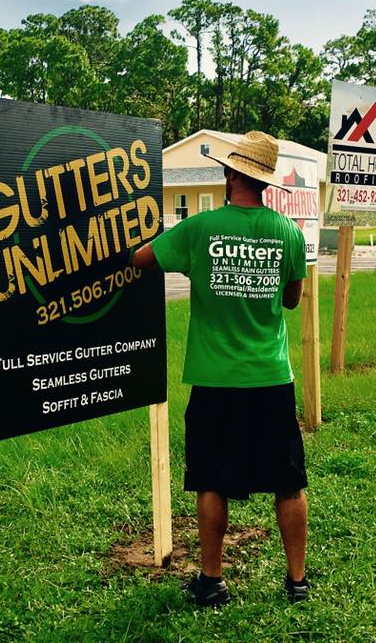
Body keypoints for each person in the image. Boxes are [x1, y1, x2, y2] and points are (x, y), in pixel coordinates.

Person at [133, 130, 310, 606]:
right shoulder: (289, 233)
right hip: (272, 378)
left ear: (230, 173)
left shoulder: (200, 230)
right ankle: (297, 581)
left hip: (215, 379)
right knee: (289, 482)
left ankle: (212, 581)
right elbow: (291, 300)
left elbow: (142, 259)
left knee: (211, 479)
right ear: (267, 183)